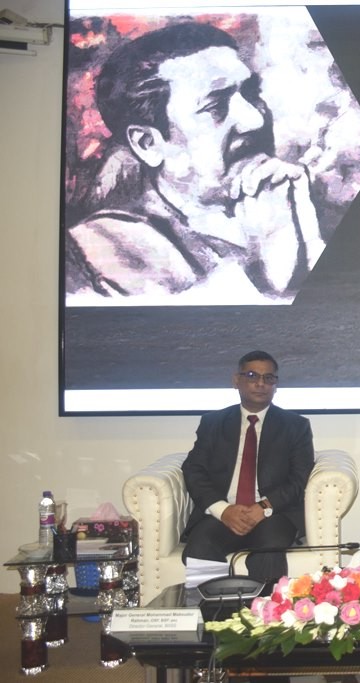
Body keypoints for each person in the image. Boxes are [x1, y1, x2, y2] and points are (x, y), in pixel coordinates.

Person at [64, 21, 326, 305]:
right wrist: (267, 277)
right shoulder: (106, 247)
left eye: (251, 94)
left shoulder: (297, 202)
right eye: (215, 106)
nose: (255, 119)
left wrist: (309, 243)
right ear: (148, 144)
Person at [181, 350, 314, 581]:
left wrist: (264, 507)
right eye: (252, 376)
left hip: (273, 515)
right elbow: (194, 470)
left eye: (268, 378)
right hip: (224, 513)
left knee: (269, 550)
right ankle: (213, 605)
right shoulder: (213, 423)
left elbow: (299, 479)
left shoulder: (295, 426)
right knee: (200, 546)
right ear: (236, 380)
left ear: (276, 385)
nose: (261, 384)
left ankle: (265, 605)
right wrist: (223, 510)